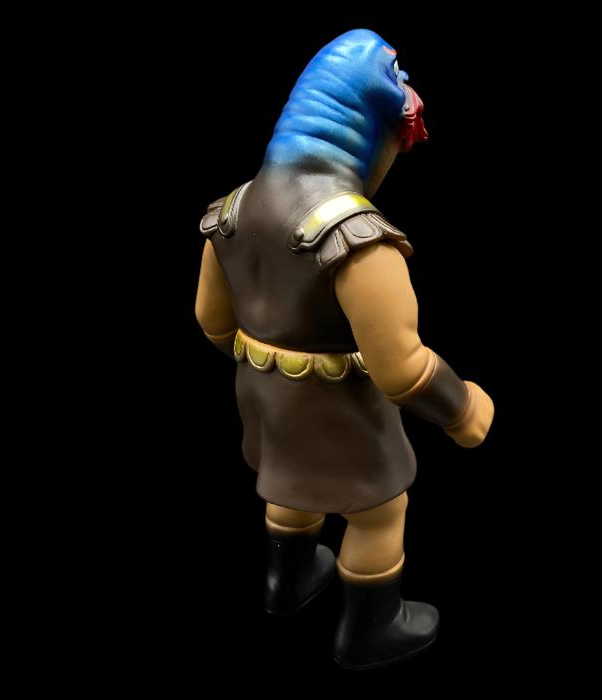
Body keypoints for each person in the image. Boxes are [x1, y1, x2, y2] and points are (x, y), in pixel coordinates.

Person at [194, 28, 494, 670]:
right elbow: (401, 368)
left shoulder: (231, 210)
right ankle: (371, 629)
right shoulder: (357, 238)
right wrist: (463, 409)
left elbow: (210, 321)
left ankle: (286, 582)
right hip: (344, 409)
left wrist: (268, 367)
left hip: (261, 398)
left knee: (287, 483)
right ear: (370, 133)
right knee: (380, 511)